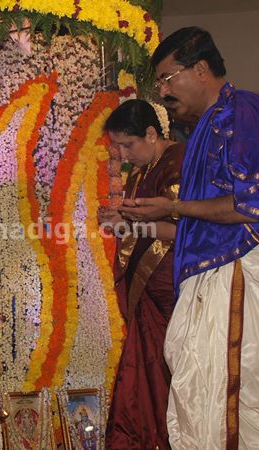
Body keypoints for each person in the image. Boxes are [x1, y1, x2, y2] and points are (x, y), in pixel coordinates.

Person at [120, 27, 259, 449]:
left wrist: (174, 206)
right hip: (206, 276)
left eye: (167, 79)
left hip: (233, 273)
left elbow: (250, 204)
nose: (163, 92)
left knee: (227, 405)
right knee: (198, 404)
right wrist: (155, 214)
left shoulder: (240, 112)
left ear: (200, 70)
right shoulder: (204, 127)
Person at [99, 99, 184, 450]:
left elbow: (183, 230)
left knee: (170, 374)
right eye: (117, 146)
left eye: (128, 144)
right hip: (147, 292)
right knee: (143, 376)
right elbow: (140, 228)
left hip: (172, 290)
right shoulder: (139, 172)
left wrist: (132, 225)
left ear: (151, 134)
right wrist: (119, 223)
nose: (123, 154)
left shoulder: (179, 162)